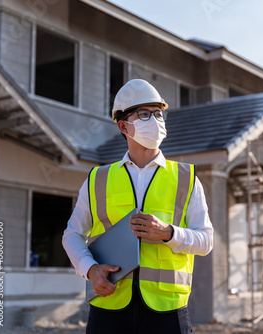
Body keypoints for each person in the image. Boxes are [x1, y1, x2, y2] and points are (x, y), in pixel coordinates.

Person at [62, 79, 214, 334]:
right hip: (109, 306)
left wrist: (170, 234)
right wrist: (90, 270)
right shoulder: (98, 178)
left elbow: (206, 240)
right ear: (123, 125)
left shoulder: (187, 178)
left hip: (167, 311)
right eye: (144, 114)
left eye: (158, 113)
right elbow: (72, 234)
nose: (155, 121)